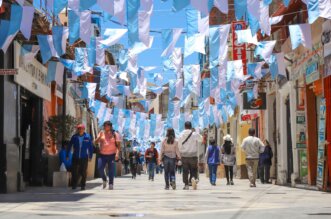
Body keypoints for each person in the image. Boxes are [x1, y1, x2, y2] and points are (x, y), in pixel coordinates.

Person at [94, 121, 121, 190]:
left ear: (110, 126)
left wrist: (117, 154)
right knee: (99, 168)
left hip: (112, 155)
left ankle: (111, 183)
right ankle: (104, 179)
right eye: (104, 126)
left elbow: (118, 146)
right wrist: (99, 138)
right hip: (102, 154)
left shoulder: (115, 134)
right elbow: (95, 142)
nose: (105, 127)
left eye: (107, 126)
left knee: (111, 170)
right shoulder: (101, 133)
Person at [67, 124, 94, 190]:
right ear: (77, 129)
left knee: (83, 171)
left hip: (84, 157)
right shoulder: (74, 137)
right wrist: (67, 154)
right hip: (75, 156)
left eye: (81, 128)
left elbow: (90, 147)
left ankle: (83, 185)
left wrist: (90, 156)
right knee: (74, 171)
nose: (80, 130)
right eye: (79, 128)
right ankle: (74, 185)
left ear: (84, 129)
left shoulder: (87, 136)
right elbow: (69, 146)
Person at [178, 121, 202, 190]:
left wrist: (181, 153)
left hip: (184, 156)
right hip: (193, 155)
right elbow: (201, 139)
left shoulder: (181, 134)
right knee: (193, 169)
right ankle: (193, 179)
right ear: (191, 126)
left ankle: (186, 185)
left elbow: (179, 145)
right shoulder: (194, 134)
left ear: (185, 126)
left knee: (185, 171)